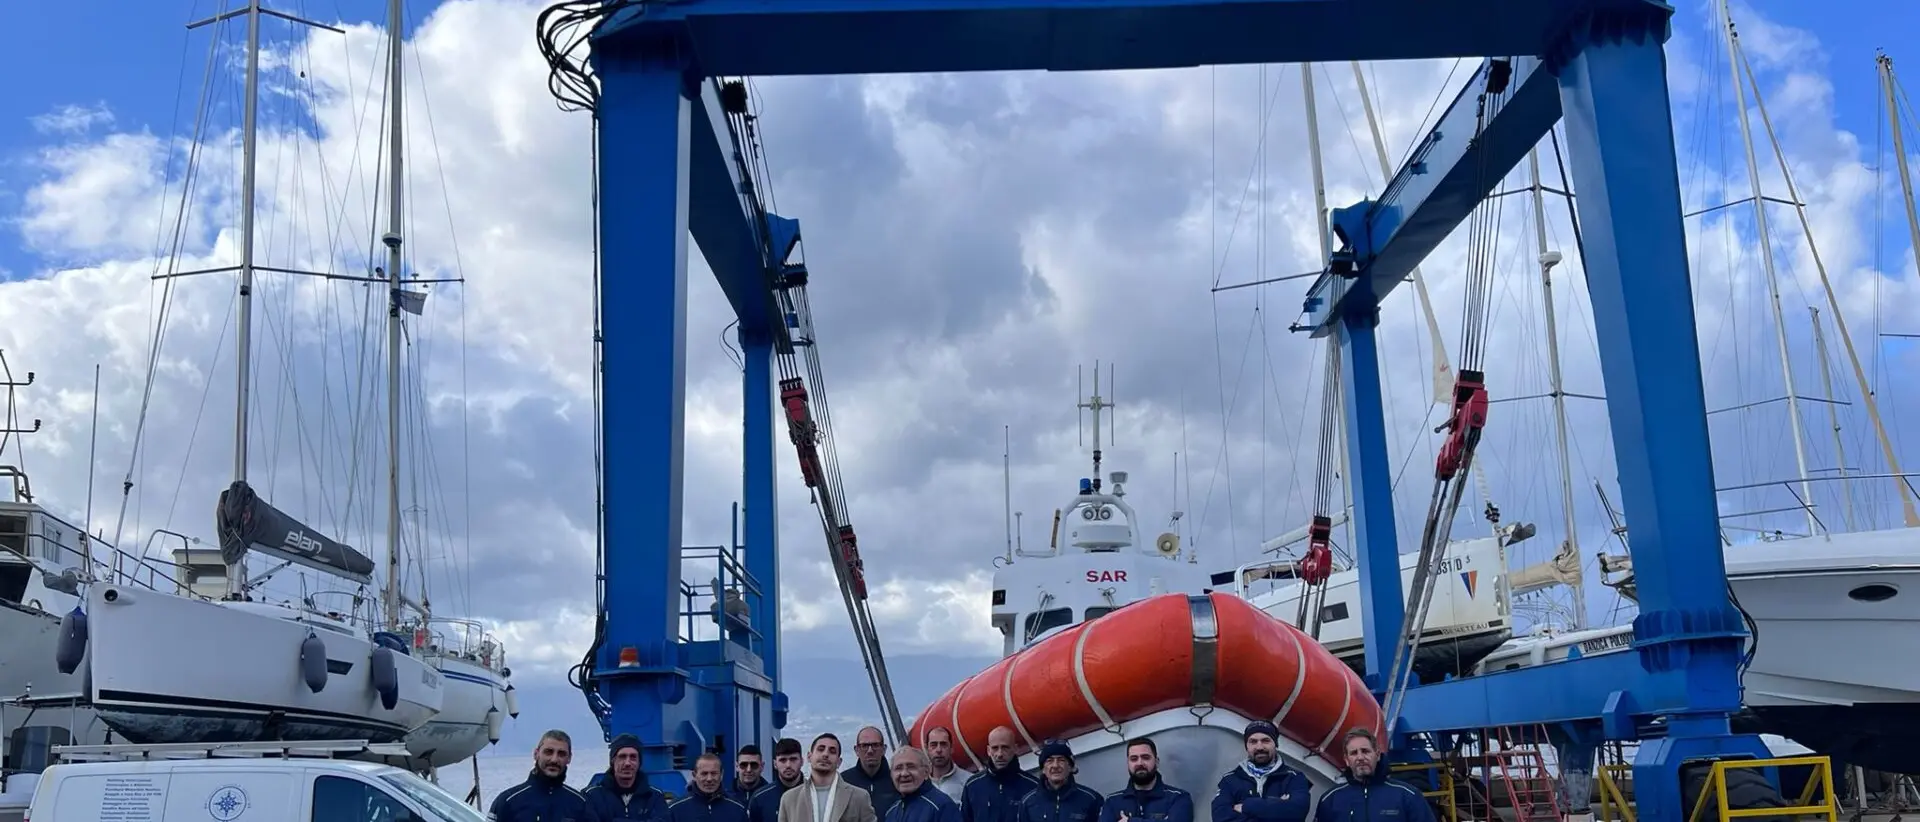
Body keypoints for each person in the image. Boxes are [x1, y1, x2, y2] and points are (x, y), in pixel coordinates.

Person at [1313, 729, 1435, 822]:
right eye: (1354, 753)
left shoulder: (1407, 796)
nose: (1360, 757)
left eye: (1365, 751)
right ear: (1346, 760)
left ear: (1377, 754)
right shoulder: (1330, 800)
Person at [1211, 721, 1311, 822]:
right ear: (1247, 747)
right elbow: (1220, 817)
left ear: (1275, 744)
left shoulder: (1294, 777)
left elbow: (1296, 813)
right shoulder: (1230, 780)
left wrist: (1246, 806)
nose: (1259, 747)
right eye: (1253, 742)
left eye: (1265, 741)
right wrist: (1277, 806)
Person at [490, 729, 591, 822]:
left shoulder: (580, 804)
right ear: (536, 754)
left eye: (561, 754)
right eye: (548, 752)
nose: (554, 759)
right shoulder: (507, 802)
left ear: (569, 758)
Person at [780, 733, 879, 822]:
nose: (825, 754)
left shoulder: (859, 797)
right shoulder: (789, 799)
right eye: (821, 749)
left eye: (832, 751)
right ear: (809, 757)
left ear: (839, 762)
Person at [1098, 737, 1193, 822]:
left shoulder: (1178, 798)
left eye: (1146, 757)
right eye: (1134, 759)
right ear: (1128, 763)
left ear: (1156, 762)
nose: (1140, 763)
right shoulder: (1112, 801)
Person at [585, 734, 672, 821]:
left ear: (639, 762)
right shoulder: (592, 796)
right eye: (622, 757)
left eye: (633, 757)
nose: (627, 763)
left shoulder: (654, 797)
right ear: (612, 761)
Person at [961, 727, 1039, 822]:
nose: (999, 754)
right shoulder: (972, 786)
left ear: (1015, 749)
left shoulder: (1033, 786)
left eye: (1005, 747)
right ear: (988, 750)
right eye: (995, 748)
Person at [1017, 742, 1103, 822]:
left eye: (1061, 760)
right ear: (1043, 769)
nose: (1055, 765)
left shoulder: (1091, 799)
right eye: (1049, 761)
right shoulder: (1027, 802)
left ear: (1070, 767)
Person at [884, 746, 963, 822]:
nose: (904, 773)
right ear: (891, 774)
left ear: (926, 772)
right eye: (898, 768)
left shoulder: (942, 806)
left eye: (911, 767)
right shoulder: (891, 812)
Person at [670, 752, 751, 822]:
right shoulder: (674, 810)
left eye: (714, 773)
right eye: (704, 774)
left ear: (721, 774)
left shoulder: (737, 809)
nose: (709, 779)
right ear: (694, 775)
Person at [845, 726, 902, 816]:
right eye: (864, 746)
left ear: (884, 749)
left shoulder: (898, 779)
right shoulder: (844, 781)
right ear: (856, 750)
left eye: (875, 745)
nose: (870, 751)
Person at [750, 738, 806, 822]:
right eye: (783, 760)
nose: (788, 765)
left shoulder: (815, 794)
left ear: (802, 761)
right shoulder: (759, 798)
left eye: (793, 759)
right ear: (775, 764)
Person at [923, 728, 972, 802]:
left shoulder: (969, 782)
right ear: (927, 748)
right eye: (933, 745)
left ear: (951, 748)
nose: (939, 750)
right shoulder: (920, 783)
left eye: (943, 744)